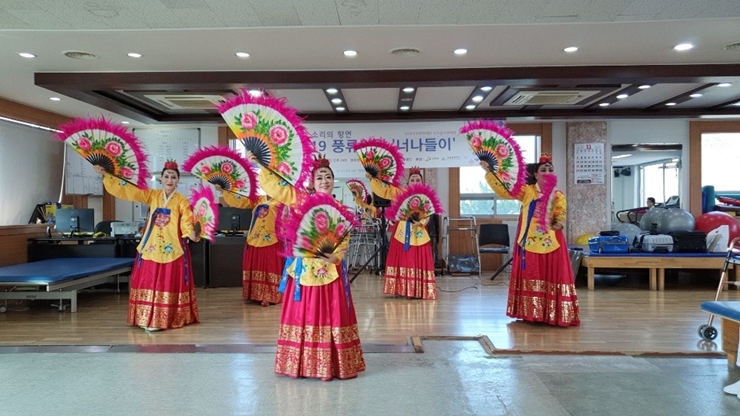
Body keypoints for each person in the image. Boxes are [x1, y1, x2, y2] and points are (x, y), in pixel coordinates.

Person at [253, 152, 365, 381]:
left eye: (328, 176)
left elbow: (344, 237)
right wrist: (263, 165)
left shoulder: (340, 208)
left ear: (334, 180)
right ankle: (303, 364)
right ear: (312, 182)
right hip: (305, 270)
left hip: (330, 269)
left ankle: (332, 365)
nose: (324, 180)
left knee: (332, 313)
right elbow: (277, 189)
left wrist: (336, 256)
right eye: (319, 177)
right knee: (304, 312)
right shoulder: (301, 199)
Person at [93, 161, 200, 331]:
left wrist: (191, 233)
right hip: (151, 246)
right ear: (161, 179)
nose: (169, 180)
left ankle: (164, 318)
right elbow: (130, 191)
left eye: (173, 177)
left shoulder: (182, 200)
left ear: (178, 180)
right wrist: (107, 175)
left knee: (166, 282)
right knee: (148, 280)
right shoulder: (152, 195)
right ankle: (145, 317)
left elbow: (186, 220)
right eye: (166, 176)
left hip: (172, 248)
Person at [481, 154, 580, 327]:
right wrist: (490, 172)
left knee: (552, 276)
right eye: (543, 170)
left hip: (551, 241)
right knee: (531, 274)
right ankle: (531, 313)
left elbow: (560, 212)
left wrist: (558, 223)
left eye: (550, 170)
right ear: (535, 174)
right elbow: (505, 190)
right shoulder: (527, 191)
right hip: (529, 241)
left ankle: (553, 314)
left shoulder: (558, 195)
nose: (547, 172)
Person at [368, 167, 437, 300]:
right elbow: (386, 190)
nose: (415, 182)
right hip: (402, 231)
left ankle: (418, 290)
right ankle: (402, 288)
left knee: (417, 259)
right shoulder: (401, 192)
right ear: (408, 182)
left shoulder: (426, 196)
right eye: (412, 180)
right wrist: (373, 178)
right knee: (404, 258)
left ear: (422, 182)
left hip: (419, 232)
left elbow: (428, 214)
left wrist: (421, 222)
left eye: (417, 180)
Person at [215, 185, 284, 307]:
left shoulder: (283, 201)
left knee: (269, 267)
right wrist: (224, 190)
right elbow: (241, 201)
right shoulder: (259, 199)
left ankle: (269, 295)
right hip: (255, 238)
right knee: (256, 265)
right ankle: (254, 294)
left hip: (272, 240)